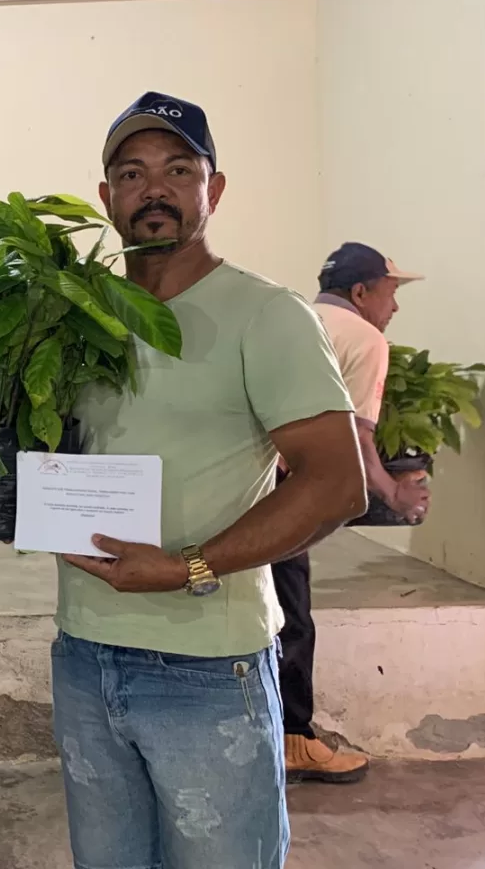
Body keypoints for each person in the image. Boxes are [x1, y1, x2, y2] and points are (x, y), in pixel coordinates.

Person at [52, 94, 366, 868]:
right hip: (85, 655)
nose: (153, 189)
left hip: (207, 667)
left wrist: (187, 566)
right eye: (132, 173)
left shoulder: (266, 315)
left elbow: (337, 483)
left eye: (177, 170)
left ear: (212, 189)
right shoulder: (75, 315)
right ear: (107, 197)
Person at [272, 242, 427, 784]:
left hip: (240, 480)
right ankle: (294, 741)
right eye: (391, 292)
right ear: (361, 292)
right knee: (292, 614)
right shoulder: (364, 337)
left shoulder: (290, 318)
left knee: (258, 606)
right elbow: (357, 436)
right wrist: (393, 493)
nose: (395, 306)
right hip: (286, 487)